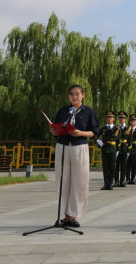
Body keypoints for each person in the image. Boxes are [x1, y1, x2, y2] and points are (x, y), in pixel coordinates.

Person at [48, 84, 99, 228]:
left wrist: (81, 133)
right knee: (63, 180)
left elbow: (94, 132)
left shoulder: (88, 111)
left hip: (79, 147)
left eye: (77, 94)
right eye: (71, 94)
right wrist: (53, 130)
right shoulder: (63, 111)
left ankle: (73, 216)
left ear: (83, 95)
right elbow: (56, 127)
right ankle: (64, 216)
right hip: (63, 146)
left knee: (79, 181)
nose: (74, 97)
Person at [96, 110, 120, 190]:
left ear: (114, 119)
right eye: (108, 117)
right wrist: (99, 142)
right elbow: (95, 137)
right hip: (105, 149)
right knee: (105, 167)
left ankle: (110, 183)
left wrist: (118, 150)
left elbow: (119, 141)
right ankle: (105, 184)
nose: (109, 119)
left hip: (113, 149)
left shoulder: (117, 128)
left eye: (111, 117)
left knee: (112, 167)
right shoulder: (103, 128)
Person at [114, 111, 129, 187]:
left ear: (125, 119)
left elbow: (130, 140)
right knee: (116, 165)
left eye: (123, 118)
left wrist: (129, 150)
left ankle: (122, 181)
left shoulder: (128, 128)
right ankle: (116, 181)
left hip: (124, 148)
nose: (121, 119)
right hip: (116, 148)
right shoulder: (116, 127)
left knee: (123, 166)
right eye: (120, 118)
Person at [126, 114, 136, 184]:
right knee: (127, 164)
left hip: (135, 148)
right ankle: (127, 178)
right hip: (128, 148)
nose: (132, 122)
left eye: (134, 121)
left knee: (134, 164)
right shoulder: (127, 129)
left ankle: (133, 178)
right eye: (131, 121)